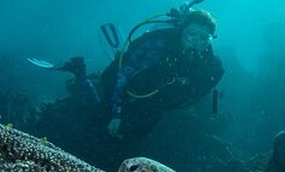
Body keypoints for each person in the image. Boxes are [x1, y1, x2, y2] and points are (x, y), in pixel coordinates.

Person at [51, 8, 225, 138]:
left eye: (204, 38)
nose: (196, 42)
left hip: (153, 103)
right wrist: (116, 114)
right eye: (191, 35)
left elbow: (197, 94)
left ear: (211, 40)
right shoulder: (158, 46)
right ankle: (80, 73)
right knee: (94, 121)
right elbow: (123, 75)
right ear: (182, 33)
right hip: (124, 89)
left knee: (132, 139)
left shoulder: (210, 65)